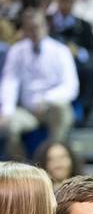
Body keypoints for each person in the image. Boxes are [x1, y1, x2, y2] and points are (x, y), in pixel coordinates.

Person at [0, 9, 78, 159]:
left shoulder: (60, 51)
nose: (34, 31)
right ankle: (23, 168)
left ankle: (53, 160)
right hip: (28, 110)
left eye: (37, 27)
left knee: (62, 109)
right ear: (24, 30)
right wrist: (7, 111)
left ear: (46, 27)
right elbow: (10, 82)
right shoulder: (17, 51)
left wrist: (47, 99)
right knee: (9, 124)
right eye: (30, 28)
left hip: (50, 107)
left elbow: (71, 86)